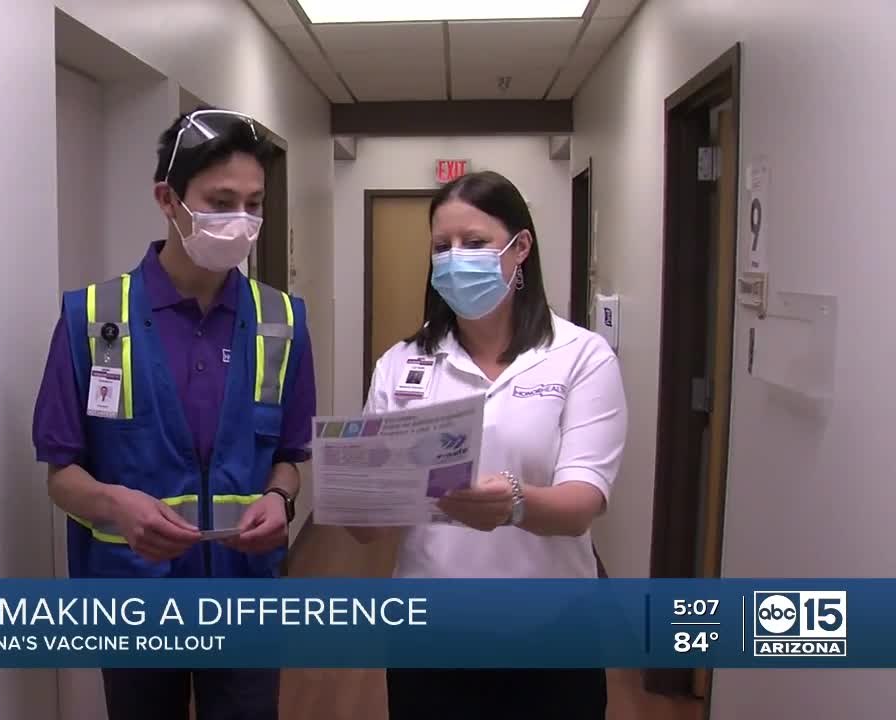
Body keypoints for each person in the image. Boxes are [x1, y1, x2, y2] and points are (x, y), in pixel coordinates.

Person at [32, 105, 316, 720]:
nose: (240, 221)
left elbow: (291, 457)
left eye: (253, 202)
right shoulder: (93, 317)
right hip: (135, 599)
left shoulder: (281, 320)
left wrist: (282, 500)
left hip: (246, 596)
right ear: (168, 199)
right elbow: (61, 472)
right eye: (219, 201)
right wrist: (116, 506)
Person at [348, 170, 627, 719]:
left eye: (474, 243)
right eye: (441, 246)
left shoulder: (580, 356)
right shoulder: (400, 364)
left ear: (520, 247)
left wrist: (514, 503)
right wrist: (357, 500)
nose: (455, 259)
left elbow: (581, 505)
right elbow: (371, 522)